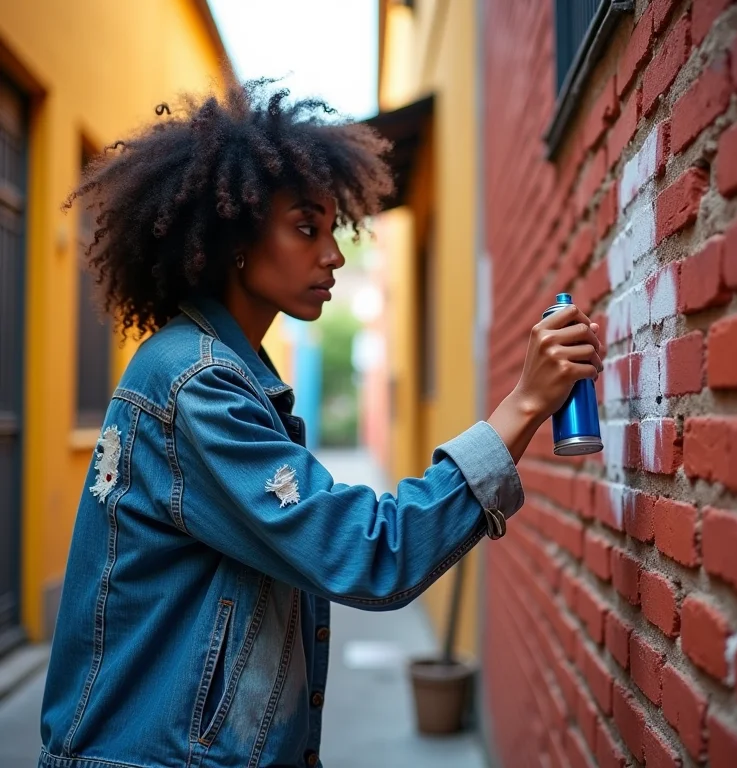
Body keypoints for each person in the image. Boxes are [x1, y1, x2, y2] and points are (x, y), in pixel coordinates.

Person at [39, 81, 604, 768]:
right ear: (234, 240)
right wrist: (521, 407)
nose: (333, 255)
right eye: (307, 227)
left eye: (333, 228)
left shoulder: (223, 371)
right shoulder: (198, 384)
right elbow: (369, 552)